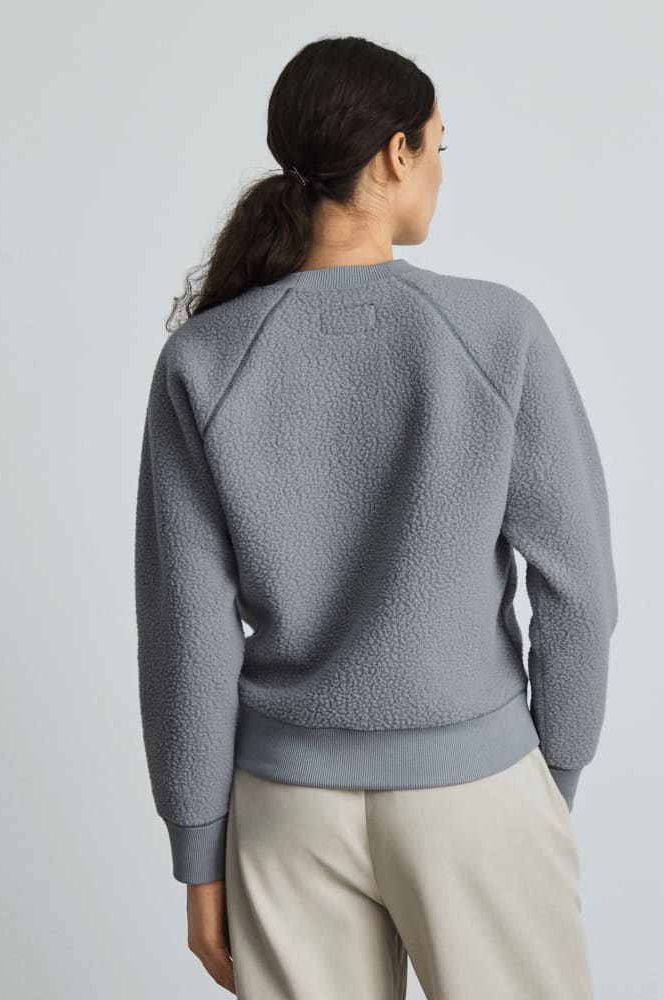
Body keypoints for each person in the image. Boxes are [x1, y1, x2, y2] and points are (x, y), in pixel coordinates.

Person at [134, 34, 619, 1000]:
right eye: (438, 145)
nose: (440, 169)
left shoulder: (205, 359)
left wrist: (198, 849)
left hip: (284, 809)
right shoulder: (497, 330)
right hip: (478, 791)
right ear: (396, 154)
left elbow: (185, 632)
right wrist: (547, 778)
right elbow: (579, 591)